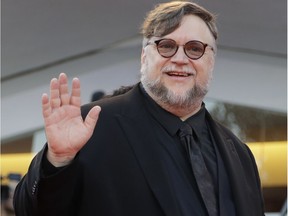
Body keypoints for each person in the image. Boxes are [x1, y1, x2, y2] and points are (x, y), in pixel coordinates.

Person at [13, 1, 265, 216]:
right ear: (144, 57)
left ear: (211, 61)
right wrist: (57, 161)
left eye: (194, 49)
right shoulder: (91, 127)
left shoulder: (239, 153)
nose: (180, 58)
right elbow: (31, 210)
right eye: (166, 46)